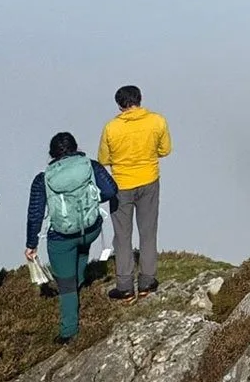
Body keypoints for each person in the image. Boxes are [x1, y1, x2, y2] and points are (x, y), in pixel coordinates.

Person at [25, 131, 118, 342]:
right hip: (90, 228)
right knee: (81, 250)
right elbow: (111, 190)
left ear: (52, 154)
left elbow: (35, 215)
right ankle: (81, 280)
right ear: (76, 147)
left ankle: (69, 332)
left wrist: (31, 245)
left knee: (65, 284)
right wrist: (92, 200)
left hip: (62, 238)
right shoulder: (91, 166)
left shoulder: (43, 180)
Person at [97, 84, 171, 299]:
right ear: (140, 99)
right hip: (149, 179)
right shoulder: (157, 121)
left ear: (119, 105)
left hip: (121, 184)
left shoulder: (111, 128)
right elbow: (165, 150)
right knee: (148, 232)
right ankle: (147, 281)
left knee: (122, 235)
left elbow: (103, 159)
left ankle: (125, 286)